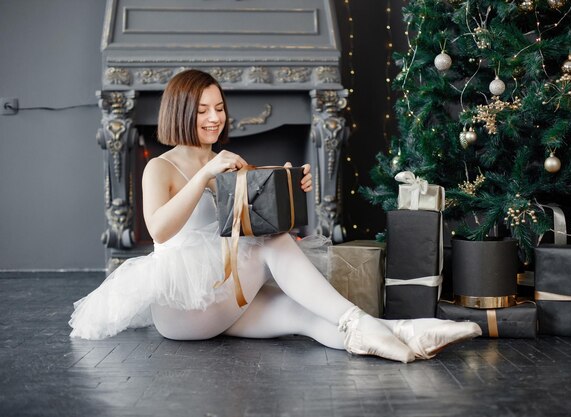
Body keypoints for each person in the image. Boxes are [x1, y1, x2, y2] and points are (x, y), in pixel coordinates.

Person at [69, 69, 481, 363]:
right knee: (274, 246)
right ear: (179, 113)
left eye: (219, 108)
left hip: (224, 297)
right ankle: (377, 325)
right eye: (202, 111)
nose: (215, 118)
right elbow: (159, 230)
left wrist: (289, 185)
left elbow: (259, 218)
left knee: (304, 313)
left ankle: (405, 334)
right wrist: (205, 175)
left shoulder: (228, 161)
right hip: (183, 309)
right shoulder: (159, 167)